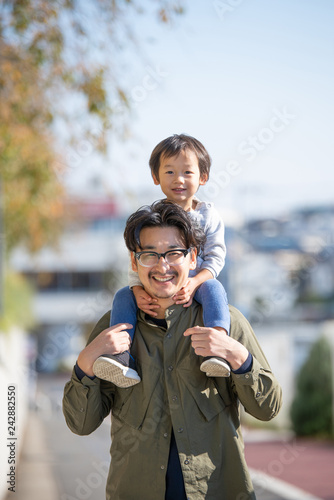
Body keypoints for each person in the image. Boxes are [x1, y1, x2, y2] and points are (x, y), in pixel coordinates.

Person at [63, 200, 282, 500]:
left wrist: (239, 358)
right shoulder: (112, 328)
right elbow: (80, 424)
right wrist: (85, 362)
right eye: (149, 254)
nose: (162, 265)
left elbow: (268, 408)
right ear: (134, 262)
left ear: (193, 258)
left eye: (173, 253)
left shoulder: (227, 322)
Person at [93, 134, 231, 388]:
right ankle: (121, 357)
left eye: (187, 172)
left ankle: (217, 349)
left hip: (197, 283)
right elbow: (136, 258)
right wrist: (136, 289)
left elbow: (215, 257)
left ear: (203, 177)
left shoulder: (208, 215)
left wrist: (196, 282)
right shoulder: (148, 220)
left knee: (215, 289)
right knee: (123, 296)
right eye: (169, 172)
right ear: (156, 177)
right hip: (156, 284)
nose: (178, 179)